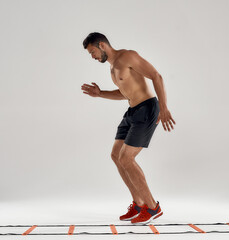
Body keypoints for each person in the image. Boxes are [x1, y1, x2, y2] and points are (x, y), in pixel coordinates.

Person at [81, 32, 175, 224]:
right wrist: (100, 94)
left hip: (147, 108)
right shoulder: (113, 68)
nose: (92, 57)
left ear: (102, 45)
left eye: (92, 52)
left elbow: (156, 76)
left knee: (127, 157)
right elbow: (124, 93)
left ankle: (152, 207)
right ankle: (139, 204)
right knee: (116, 155)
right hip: (132, 111)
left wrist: (164, 108)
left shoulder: (127, 56)